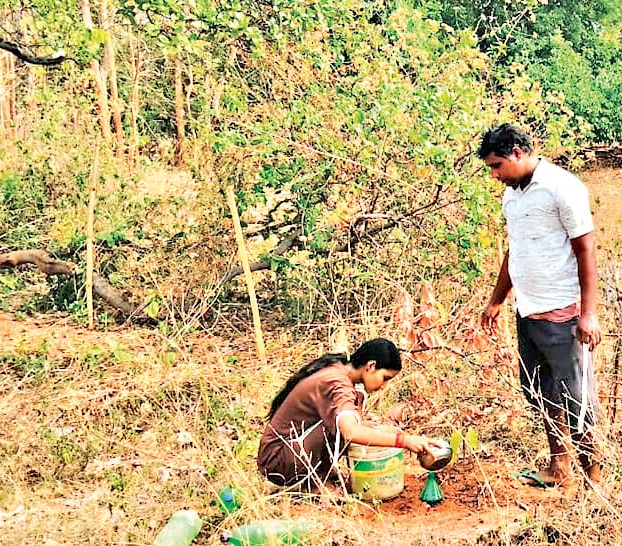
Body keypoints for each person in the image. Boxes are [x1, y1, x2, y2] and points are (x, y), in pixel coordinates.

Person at [478, 123, 603, 487]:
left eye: (497, 165)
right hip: (527, 310)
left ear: (518, 152)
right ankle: (558, 468)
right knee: (540, 392)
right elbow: (514, 250)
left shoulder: (562, 187)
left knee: (578, 399)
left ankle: (594, 479)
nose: (495, 175)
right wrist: (497, 300)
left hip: (563, 314)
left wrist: (588, 314)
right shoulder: (512, 196)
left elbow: (586, 250)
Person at [257, 338, 439, 489]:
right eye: (385, 378)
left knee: (357, 417)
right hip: (277, 461)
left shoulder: (340, 369)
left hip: (286, 453)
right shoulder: (337, 383)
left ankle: (320, 475)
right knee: (344, 424)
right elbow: (351, 432)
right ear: (371, 366)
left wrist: (394, 433)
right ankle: (313, 484)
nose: (384, 385)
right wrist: (403, 441)